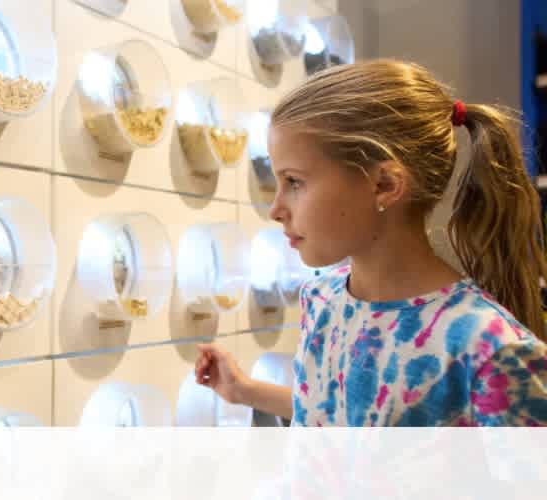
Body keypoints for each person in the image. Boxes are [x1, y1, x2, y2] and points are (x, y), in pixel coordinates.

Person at [195, 59, 547, 426]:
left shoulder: (488, 349)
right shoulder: (322, 299)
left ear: (385, 185)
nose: (276, 209)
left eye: (294, 182)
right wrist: (244, 390)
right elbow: (338, 411)